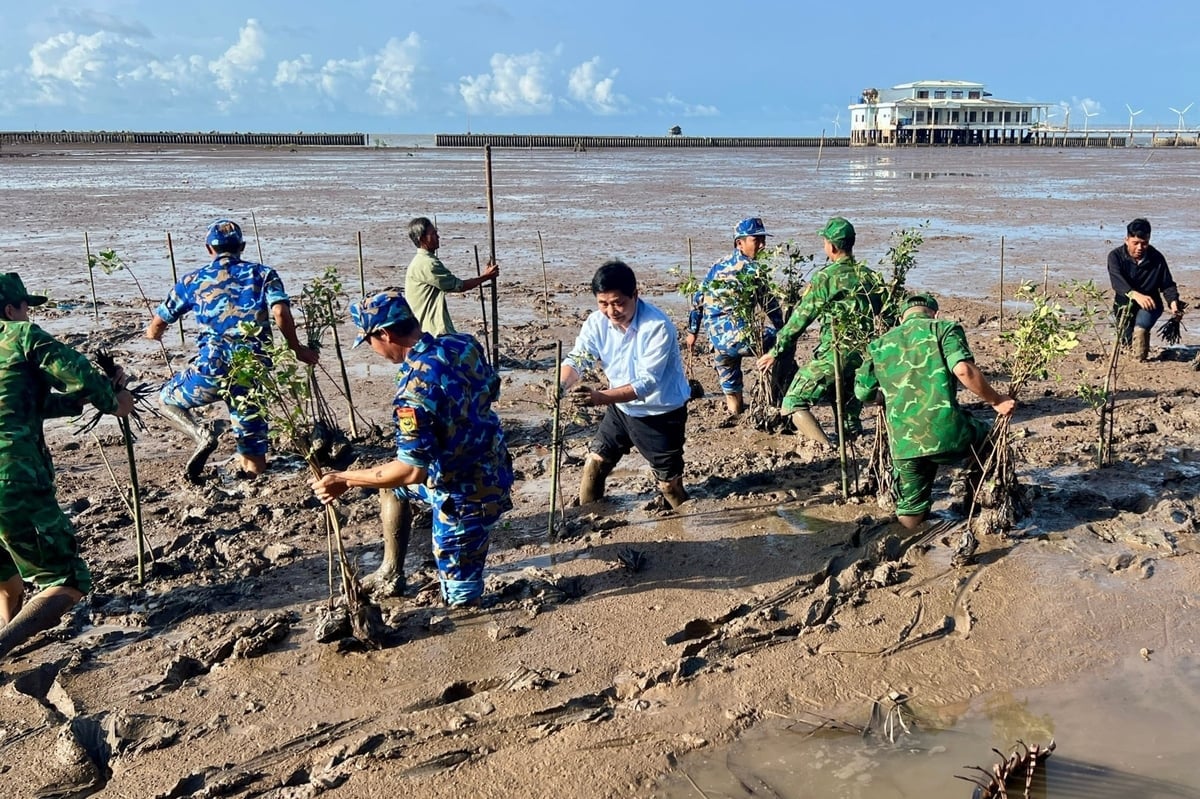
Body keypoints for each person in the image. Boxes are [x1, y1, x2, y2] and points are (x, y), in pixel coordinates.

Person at [311, 289, 513, 608]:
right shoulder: (464, 344)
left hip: (464, 498)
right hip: (497, 468)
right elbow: (492, 390)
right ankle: (392, 571)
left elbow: (411, 470)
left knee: (461, 601)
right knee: (391, 490)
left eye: (369, 341)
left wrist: (346, 479)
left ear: (384, 334)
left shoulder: (411, 395)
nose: (372, 350)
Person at [0, 273, 135, 661]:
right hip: (13, 477)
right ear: (11, 310)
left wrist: (83, 402)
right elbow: (82, 377)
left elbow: (26, 404)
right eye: (25, 308)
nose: (28, 314)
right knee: (68, 579)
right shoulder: (23, 336)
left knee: (6, 577)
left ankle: (10, 643)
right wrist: (113, 397)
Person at [146, 219, 319, 481]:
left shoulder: (192, 280)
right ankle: (251, 477)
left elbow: (157, 325)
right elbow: (281, 312)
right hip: (251, 371)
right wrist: (296, 348)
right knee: (254, 455)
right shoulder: (263, 274)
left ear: (208, 249)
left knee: (166, 400)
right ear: (243, 246)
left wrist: (153, 335)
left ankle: (200, 434)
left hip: (209, 370)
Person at [854, 293, 1016, 530]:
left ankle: (906, 539)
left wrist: (882, 397)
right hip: (948, 432)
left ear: (900, 319)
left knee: (911, 506)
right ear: (935, 314)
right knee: (988, 440)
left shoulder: (878, 344)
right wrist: (996, 399)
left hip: (904, 442)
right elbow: (962, 370)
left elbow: (862, 393)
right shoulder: (944, 328)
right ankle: (973, 504)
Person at [559, 260, 692, 509]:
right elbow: (579, 359)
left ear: (635, 295)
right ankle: (589, 515)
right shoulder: (596, 322)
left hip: (660, 413)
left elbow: (646, 384)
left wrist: (600, 397)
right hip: (620, 410)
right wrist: (560, 386)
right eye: (603, 303)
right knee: (594, 464)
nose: (611, 311)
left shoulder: (657, 327)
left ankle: (687, 518)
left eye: (618, 302)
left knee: (668, 486)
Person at [756, 217, 886, 446]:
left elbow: (801, 318)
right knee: (846, 413)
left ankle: (826, 449)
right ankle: (852, 450)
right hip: (864, 356)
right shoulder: (871, 276)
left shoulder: (826, 278)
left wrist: (775, 351)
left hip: (834, 353)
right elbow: (887, 316)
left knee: (793, 401)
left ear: (832, 247)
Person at [686, 217, 785, 418]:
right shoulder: (752, 270)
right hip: (742, 337)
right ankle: (779, 397)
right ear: (739, 242)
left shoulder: (716, 266)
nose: (762, 245)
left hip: (718, 342)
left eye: (762, 239)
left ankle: (735, 412)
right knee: (782, 342)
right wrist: (783, 329)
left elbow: (698, 300)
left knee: (731, 387)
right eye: (756, 240)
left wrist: (692, 333)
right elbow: (770, 305)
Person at [405, 217, 499, 337]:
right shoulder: (428, 264)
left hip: (422, 328)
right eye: (433, 234)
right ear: (422, 239)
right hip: (432, 331)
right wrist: (486, 276)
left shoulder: (420, 261)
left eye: (437, 233)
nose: (438, 237)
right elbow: (459, 286)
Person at [1106, 217, 1182, 361]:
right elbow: (1117, 281)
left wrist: (1173, 303)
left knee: (1140, 330)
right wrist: (1135, 294)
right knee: (1125, 342)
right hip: (1124, 304)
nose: (1140, 248)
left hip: (1150, 304)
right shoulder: (1115, 256)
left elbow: (1167, 284)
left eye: (1144, 243)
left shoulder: (1157, 258)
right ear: (1126, 240)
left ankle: (1140, 360)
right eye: (1135, 243)